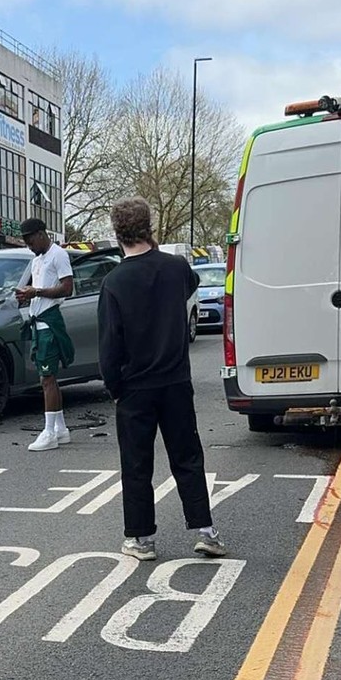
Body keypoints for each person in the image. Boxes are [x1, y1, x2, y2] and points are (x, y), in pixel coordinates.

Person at [97, 197, 225, 561]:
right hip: (175, 383)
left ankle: (141, 539)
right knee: (187, 457)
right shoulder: (176, 268)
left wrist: (115, 387)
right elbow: (190, 283)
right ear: (150, 227)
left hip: (135, 388)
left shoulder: (114, 282)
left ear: (117, 232)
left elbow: (109, 346)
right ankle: (206, 532)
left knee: (137, 464)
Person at [14, 217, 75, 451]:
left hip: (49, 320)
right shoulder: (37, 260)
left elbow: (67, 288)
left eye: (30, 241)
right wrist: (27, 294)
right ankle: (60, 428)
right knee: (47, 378)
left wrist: (36, 291)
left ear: (41, 234)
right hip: (38, 320)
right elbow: (37, 291)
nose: (29, 246)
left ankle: (49, 432)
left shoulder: (58, 255)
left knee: (47, 378)